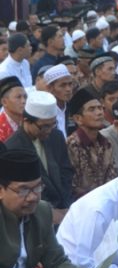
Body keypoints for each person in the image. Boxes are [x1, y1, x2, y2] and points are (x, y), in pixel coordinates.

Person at [0, 149, 107, 268]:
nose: (32, 197)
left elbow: (56, 261)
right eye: (23, 190)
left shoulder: (41, 211)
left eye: (37, 188)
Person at [5, 91, 74, 221]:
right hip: (35, 214)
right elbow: (21, 191)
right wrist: (49, 212)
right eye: (44, 127)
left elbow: (66, 173)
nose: (49, 130)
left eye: (52, 125)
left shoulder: (56, 136)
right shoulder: (12, 148)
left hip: (65, 209)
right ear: (26, 121)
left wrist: (67, 207)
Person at [65, 88, 118, 199]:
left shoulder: (106, 143)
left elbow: (113, 178)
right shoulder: (71, 145)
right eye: (92, 109)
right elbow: (72, 186)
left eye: (100, 108)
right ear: (78, 119)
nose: (99, 113)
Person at [0, 77, 26, 143]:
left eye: (25, 97)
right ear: (4, 102)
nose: (23, 101)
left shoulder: (30, 122)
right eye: (18, 97)